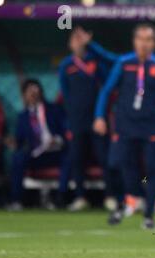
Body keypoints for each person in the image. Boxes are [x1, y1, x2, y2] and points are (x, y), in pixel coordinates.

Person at [93, 23, 155, 229]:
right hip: (125, 124)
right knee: (117, 165)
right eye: (140, 38)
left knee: (152, 169)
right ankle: (123, 203)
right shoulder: (123, 63)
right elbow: (106, 92)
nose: (144, 43)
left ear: (154, 43)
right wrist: (99, 117)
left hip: (150, 126)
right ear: (134, 41)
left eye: (148, 39)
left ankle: (149, 215)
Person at [59, 26, 118, 211]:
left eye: (80, 38)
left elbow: (110, 77)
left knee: (104, 157)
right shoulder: (66, 65)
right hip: (76, 120)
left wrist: (101, 115)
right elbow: (65, 94)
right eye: (74, 38)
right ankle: (80, 197)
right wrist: (70, 119)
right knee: (77, 159)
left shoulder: (96, 62)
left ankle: (110, 196)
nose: (77, 41)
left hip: (97, 120)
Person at [8, 79, 69, 210]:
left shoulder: (54, 110)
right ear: (24, 95)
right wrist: (13, 142)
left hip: (55, 152)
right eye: (29, 91)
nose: (33, 94)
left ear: (41, 92)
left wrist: (57, 139)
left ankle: (61, 198)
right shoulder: (23, 116)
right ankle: (16, 200)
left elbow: (65, 131)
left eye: (35, 90)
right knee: (18, 158)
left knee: (69, 157)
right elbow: (19, 140)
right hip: (36, 154)